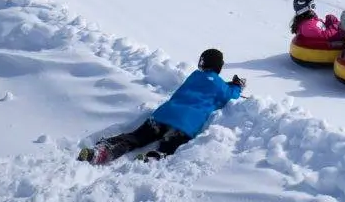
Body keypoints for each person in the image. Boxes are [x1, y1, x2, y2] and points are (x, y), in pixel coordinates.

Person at [80, 49, 243, 165]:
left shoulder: (195, 75)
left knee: (136, 137)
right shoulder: (221, 86)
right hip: (186, 124)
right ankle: (153, 157)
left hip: (164, 114)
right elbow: (231, 94)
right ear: (219, 66)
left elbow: (206, 82)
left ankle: (103, 150)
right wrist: (237, 85)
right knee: (170, 146)